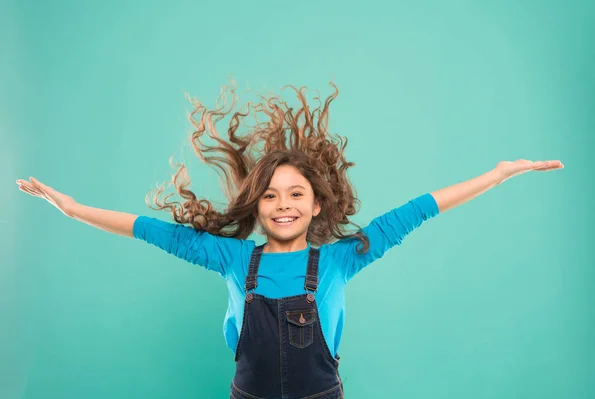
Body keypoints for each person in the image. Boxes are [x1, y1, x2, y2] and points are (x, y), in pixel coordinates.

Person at [16, 81, 564, 399]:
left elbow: (416, 211)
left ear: (317, 204)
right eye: (272, 196)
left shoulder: (342, 260)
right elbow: (149, 230)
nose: (284, 205)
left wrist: (496, 174)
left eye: (296, 194)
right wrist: (69, 208)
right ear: (256, 206)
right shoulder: (231, 258)